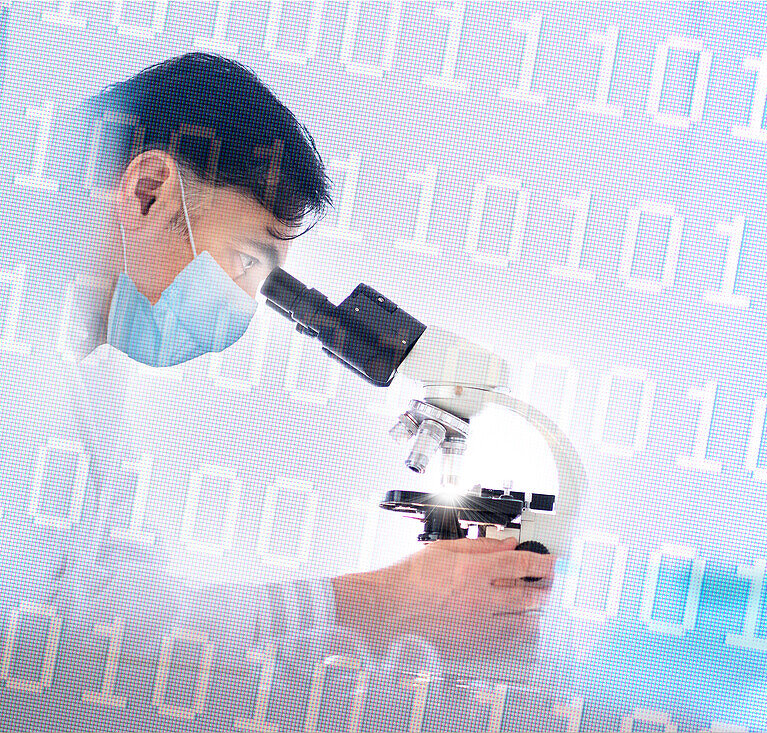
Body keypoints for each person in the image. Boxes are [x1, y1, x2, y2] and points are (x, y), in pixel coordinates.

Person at [0, 52, 553, 730]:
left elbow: (129, 596)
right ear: (146, 191)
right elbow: (52, 653)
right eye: (244, 260)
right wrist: (378, 605)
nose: (245, 303)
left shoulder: (87, 359)